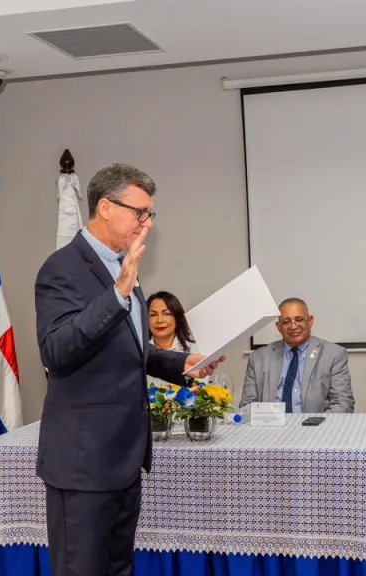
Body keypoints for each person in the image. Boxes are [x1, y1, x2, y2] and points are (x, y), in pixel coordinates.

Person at [34, 162, 223, 576]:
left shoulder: (123, 266)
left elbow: (129, 350)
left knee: (119, 568)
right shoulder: (63, 268)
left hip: (124, 457)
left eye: (150, 214)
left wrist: (182, 364)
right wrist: (118, 291)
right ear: (105, 207)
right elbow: (56, 351)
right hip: (84, 463)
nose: (147, 224)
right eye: (140, 212)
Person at [239, 298, 355, 413]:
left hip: (316, 424)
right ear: (278, 327)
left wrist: (314, 424)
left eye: (299, 320)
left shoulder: (334, 355)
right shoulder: (258, 358)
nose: (293, 326)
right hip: (270, 424)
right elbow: (247, 405)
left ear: (310, 321)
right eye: (286, 322)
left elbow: (343, 404)